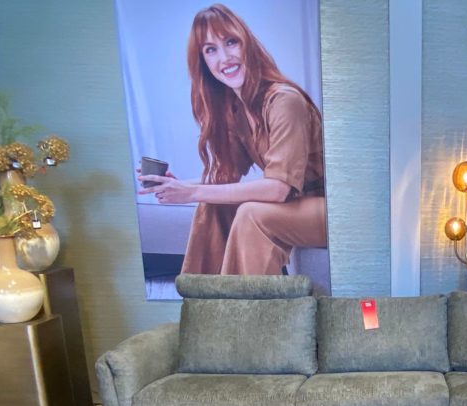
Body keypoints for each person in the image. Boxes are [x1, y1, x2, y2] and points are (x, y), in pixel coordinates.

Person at [138, 4, 327, 275]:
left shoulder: (284, 100)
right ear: (203, 62)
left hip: (331, 208)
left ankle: (246, 301)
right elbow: (225, 178)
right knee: (213, 206)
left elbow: (278, 189)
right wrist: (177, 185)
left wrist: (191, 192)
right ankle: (207, 297)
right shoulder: (239, 109)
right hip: (298, 204)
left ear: (246, 44)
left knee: (251, 214)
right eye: (210, 50)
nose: (224, 58)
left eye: (230, 42)